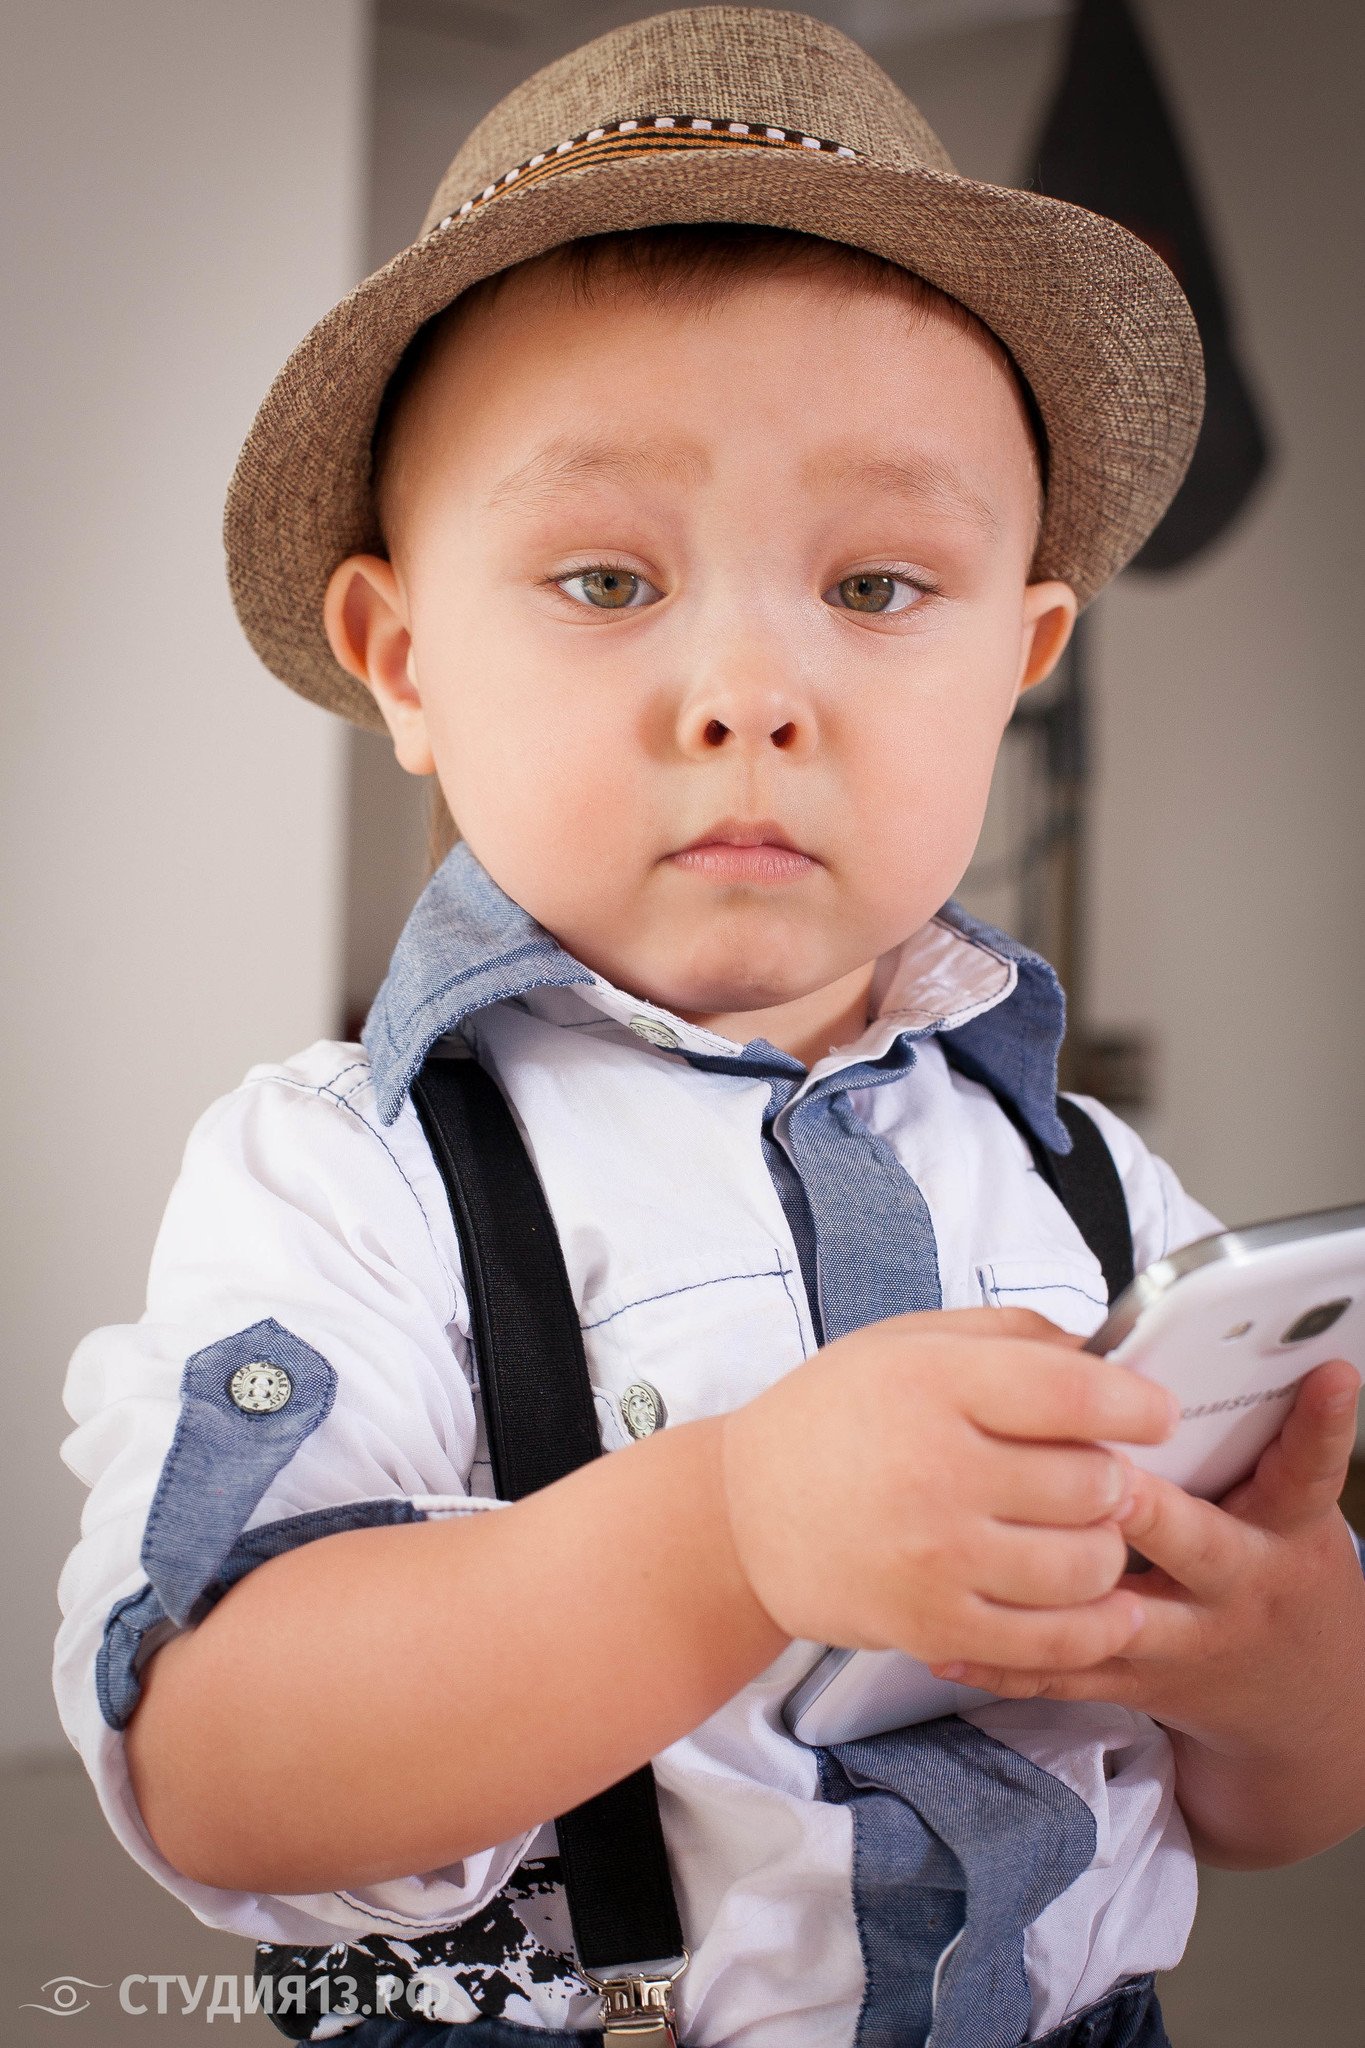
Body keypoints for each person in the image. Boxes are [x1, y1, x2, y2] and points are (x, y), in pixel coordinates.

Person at [53, 9, 1365, 2046]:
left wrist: (1276, 1664)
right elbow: (220, 1772)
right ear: (404, 662)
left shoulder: (1099, 1195)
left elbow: (1262, 1812)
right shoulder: (348, 1171)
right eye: (602, 575)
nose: (750, 689)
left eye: (872, 585)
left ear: (1016, 652)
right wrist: (729, 1530)